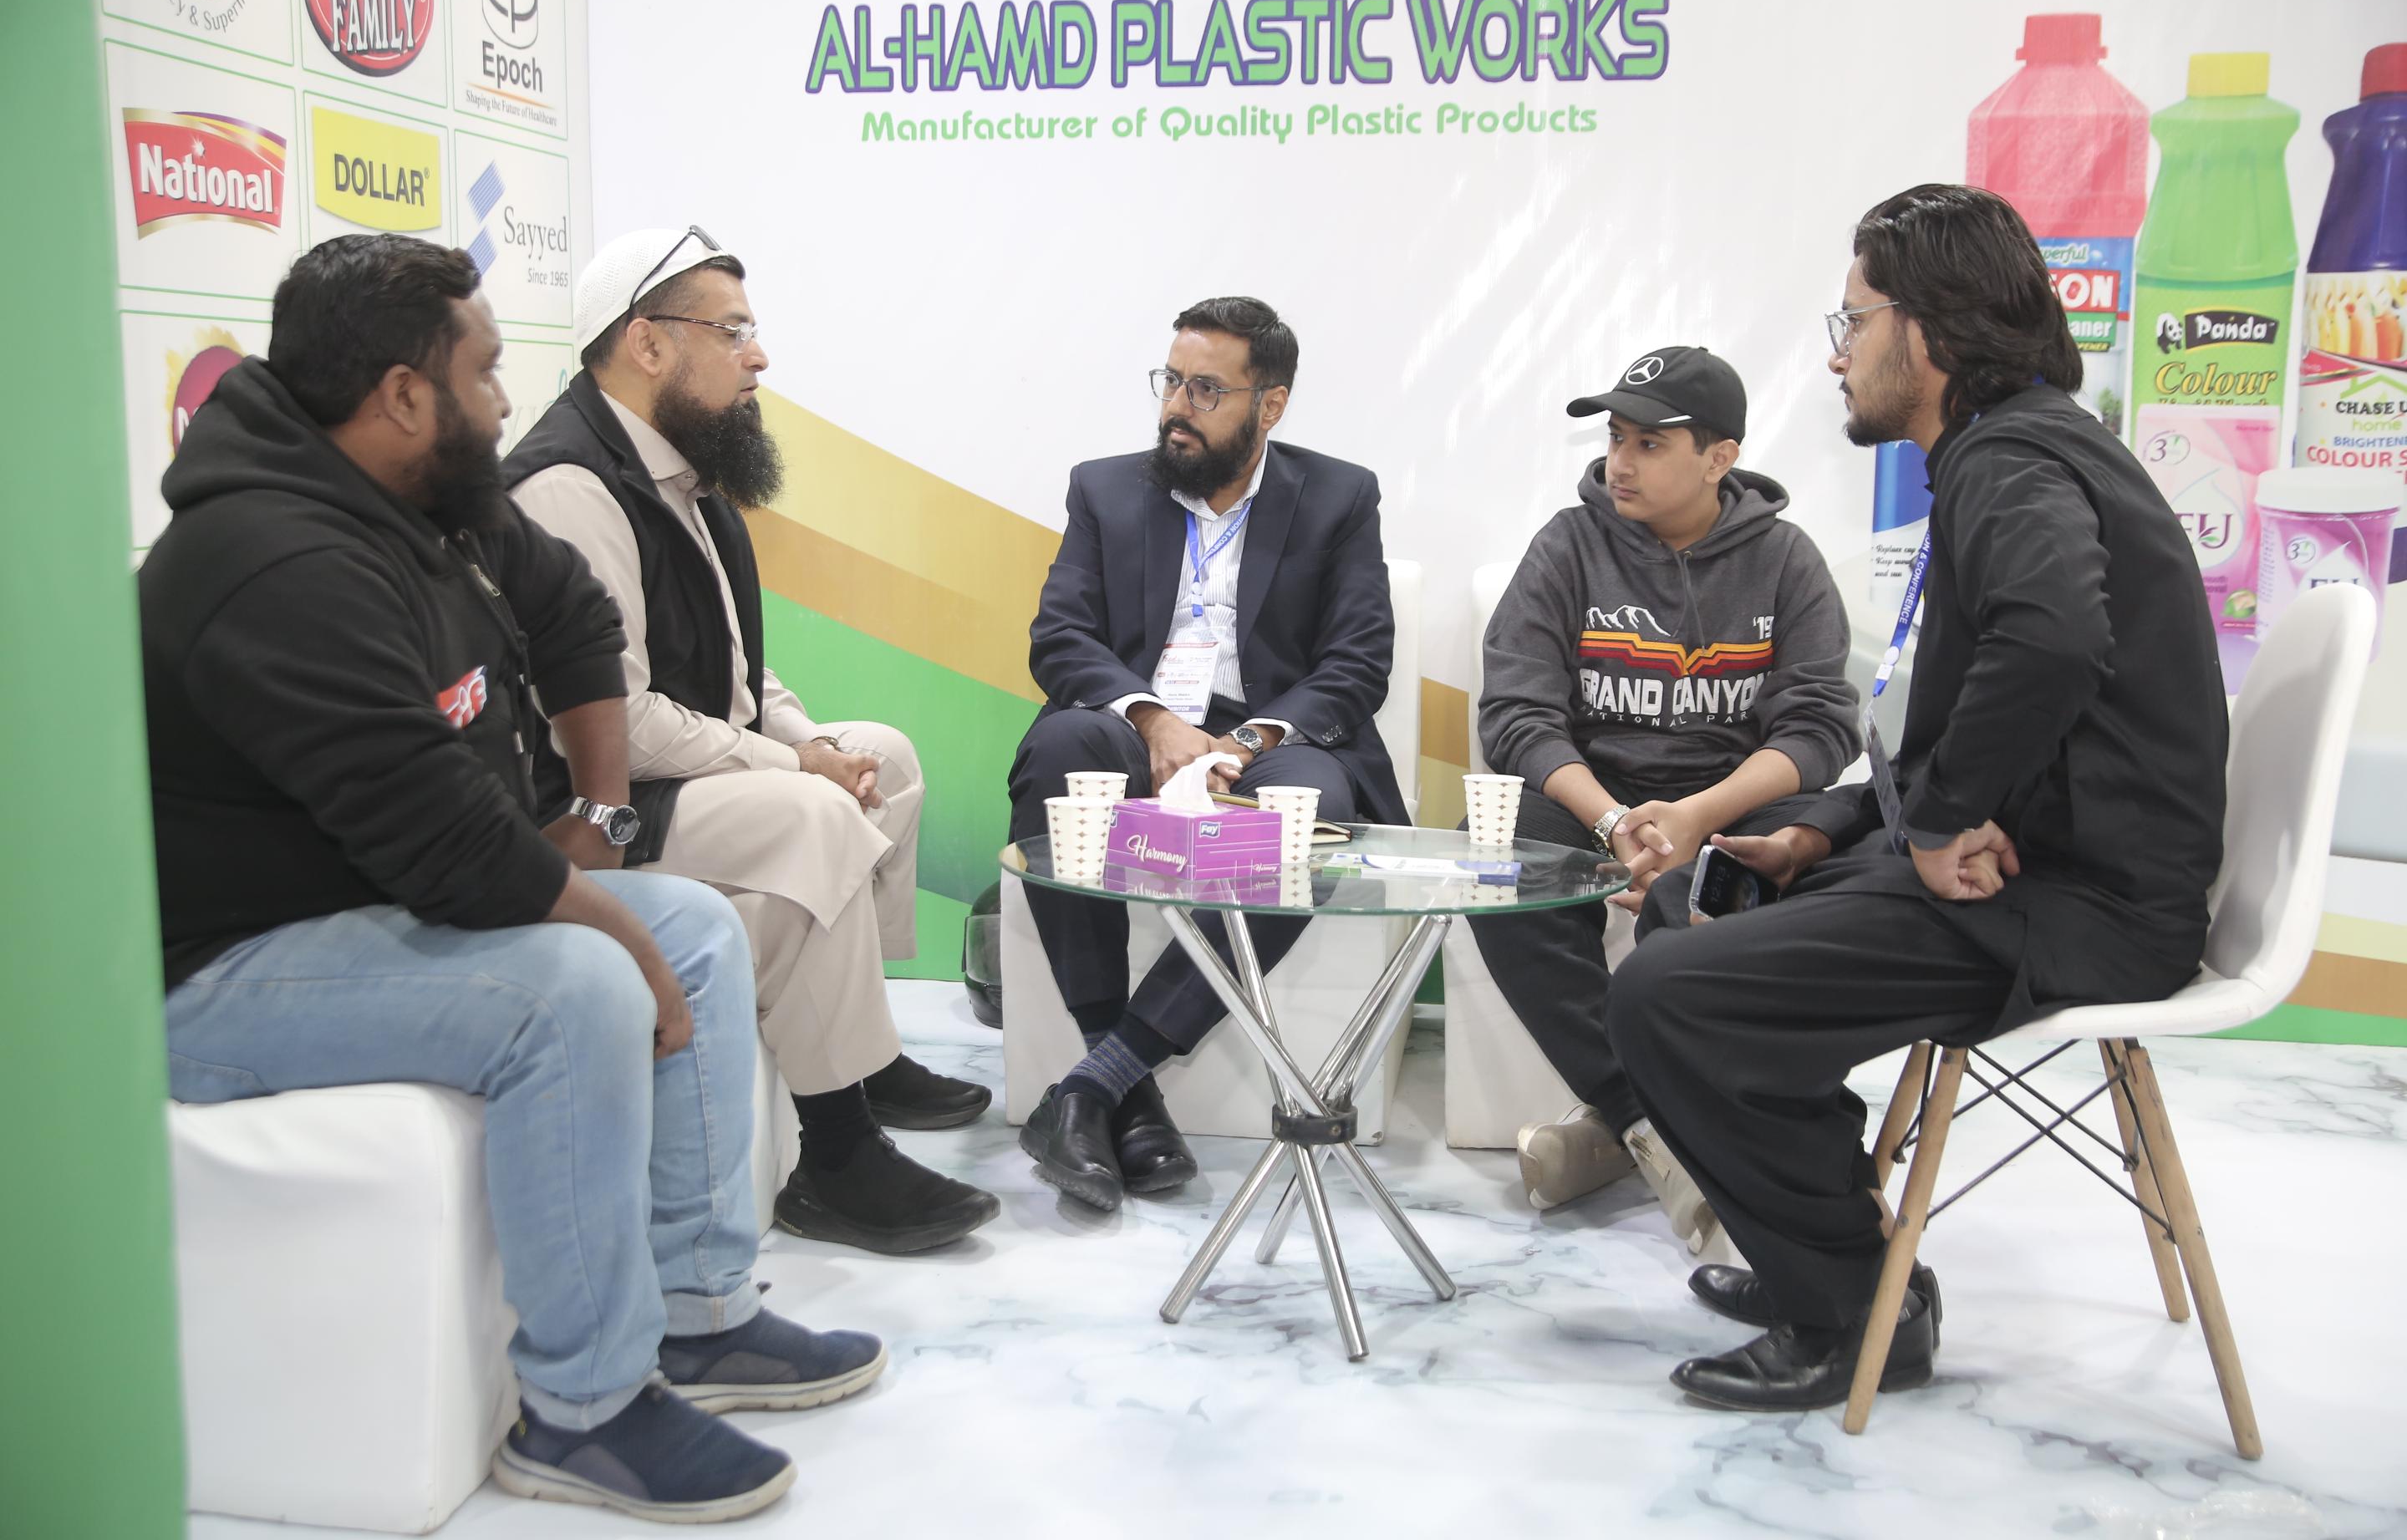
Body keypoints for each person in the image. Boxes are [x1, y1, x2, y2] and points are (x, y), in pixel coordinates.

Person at [143, 235, 882, 1523]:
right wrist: (618, 945)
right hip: (226, 974)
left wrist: (599, 816)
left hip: (369, 907)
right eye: (483, 372)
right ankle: (583, 1413)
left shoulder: (423, 497)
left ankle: (700, 1317)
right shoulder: (274, 562)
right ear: (402, 395)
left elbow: (575, 615)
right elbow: (442, 842)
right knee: (577, 985)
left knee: (694, 926)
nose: (504, 401)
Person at [1607, 184, 2229, 1411]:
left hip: (2081, 904)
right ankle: (1840, 1260)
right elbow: (1959, 728)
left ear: (1928, 328)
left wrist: (1937, 828)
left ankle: (1852, 1315)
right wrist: (1826, 826)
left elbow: (2052, 641)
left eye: (1854, 322)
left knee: (1665, 995)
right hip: (2054, 868)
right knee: (1703, 902)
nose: (1838, 356)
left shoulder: (2010, 459)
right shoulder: (2025, 447)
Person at [506, 228, 998, 1257]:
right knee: (809, 811)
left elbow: (740, 676)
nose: (758, 358)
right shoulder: (570, 487)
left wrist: (815, 742)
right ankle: (838, 1154)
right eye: (731, 333)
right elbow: (617, 720)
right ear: (647, 343)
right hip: (596, 808)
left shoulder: (683, 475)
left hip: (688, 777)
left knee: (883, 759)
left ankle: (866, 1055)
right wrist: (794, 767)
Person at [1010, 296, 1408, 1212]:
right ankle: (1124, 1087)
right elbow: (1061, 638)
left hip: (1269, 733)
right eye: (1171, 382)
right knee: (1063, 748)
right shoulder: (1105, 488)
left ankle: (1094, 1087)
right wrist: (1155, 722)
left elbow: (1357, 662)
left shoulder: (1340, 496)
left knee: (1309, 813)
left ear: (1270, 406)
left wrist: (1245, 741)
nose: (1176, 408)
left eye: (1205, 390)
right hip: (1137, 716)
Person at [1471, 346, 1860, 1249]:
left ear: (1720, 458)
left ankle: (1614, 1138)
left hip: (1730, 805)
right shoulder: (1569, 544)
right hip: (1592, 800)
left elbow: (1817, 731)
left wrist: (1698, 820)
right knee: (1496, 850)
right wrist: (1612, 820)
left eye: (1649, 443)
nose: (1621, 462)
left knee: (1809, 854)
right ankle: (1649, 1124)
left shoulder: (1785, 560)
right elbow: (1517, 716)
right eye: (1615, 438)